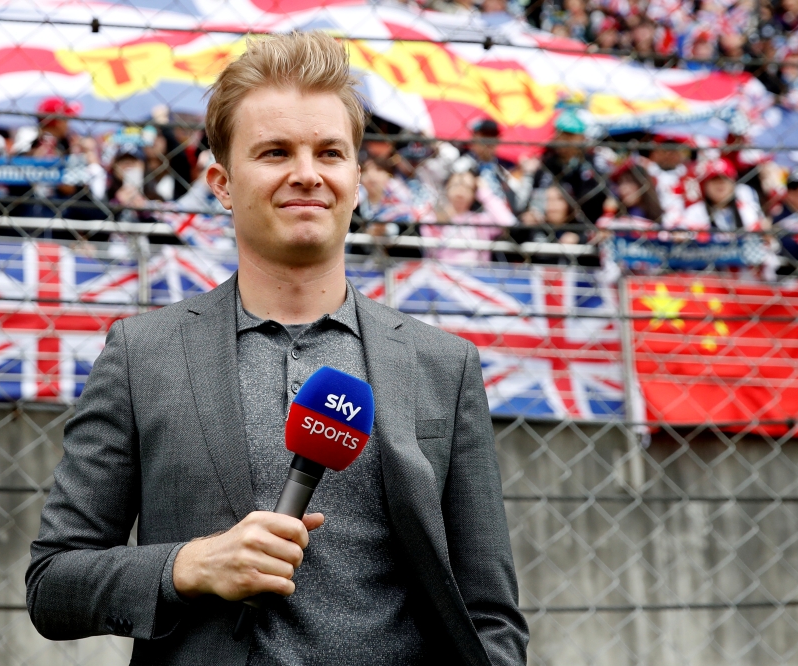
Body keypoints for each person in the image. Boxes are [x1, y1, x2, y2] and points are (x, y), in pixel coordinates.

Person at [26, 31, 528, 665]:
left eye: (329, 152)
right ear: (222, 181)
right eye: (274, 152)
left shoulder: (445, 367)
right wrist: (188, 565)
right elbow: (53, 584)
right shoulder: (140, 354)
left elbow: (489, 615)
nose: (307, 174)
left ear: (356, 176)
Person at [423, 170, 518, 264]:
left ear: (475, 194)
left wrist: (485, 193)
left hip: (476, 275)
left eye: (467, 187)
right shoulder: (435, 218)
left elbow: (509, 222)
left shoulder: (480, 220)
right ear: (446, 188)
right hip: (441, 275)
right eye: (455, 185)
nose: (460, 190)